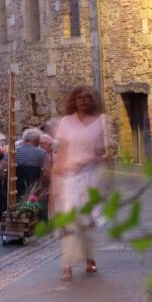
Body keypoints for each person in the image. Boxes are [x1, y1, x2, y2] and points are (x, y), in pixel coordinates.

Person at [53, 85, 111, 281]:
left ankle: (89, 258)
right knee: (70, 220)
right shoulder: (66, 123)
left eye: (87, 97)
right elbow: (62, 151)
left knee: (87, 222)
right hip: (71, 178)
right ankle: (67, 264)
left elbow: (105, 153)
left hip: (91, 177)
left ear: (92, 100)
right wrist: (56, 176)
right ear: (74, 100)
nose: (83, 100)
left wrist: (108, 180)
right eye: (79, 97)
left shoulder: (100, 122)